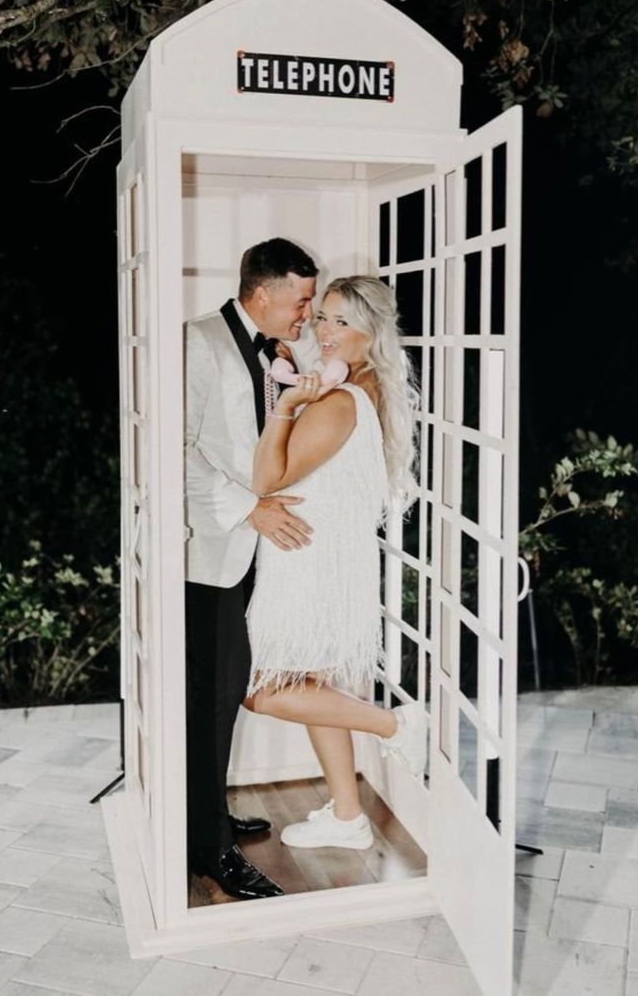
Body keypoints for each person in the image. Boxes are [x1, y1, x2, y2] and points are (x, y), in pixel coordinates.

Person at [242, 275, 427, 850]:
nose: (324, 331)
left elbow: (266, 479)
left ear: (371, 333)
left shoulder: (341, 403)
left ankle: (396, 724)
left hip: (305, 559)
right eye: (322, 316)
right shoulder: (364, 391)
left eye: (341, 321)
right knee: (312, 682)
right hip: (324, 555)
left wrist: (286, 407)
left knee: (260, 690)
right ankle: (348, 817)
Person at [184, 237, 319, 899]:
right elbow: (174, 449)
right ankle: (209, 848)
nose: (306, 312)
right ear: (262, 293)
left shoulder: (277, 352)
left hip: (252, 553)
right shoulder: (199, 341)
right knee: (213, 696)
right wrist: (249, 509)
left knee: (222, 691)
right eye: (300, 300)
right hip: (209, 551)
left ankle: (202, 815)